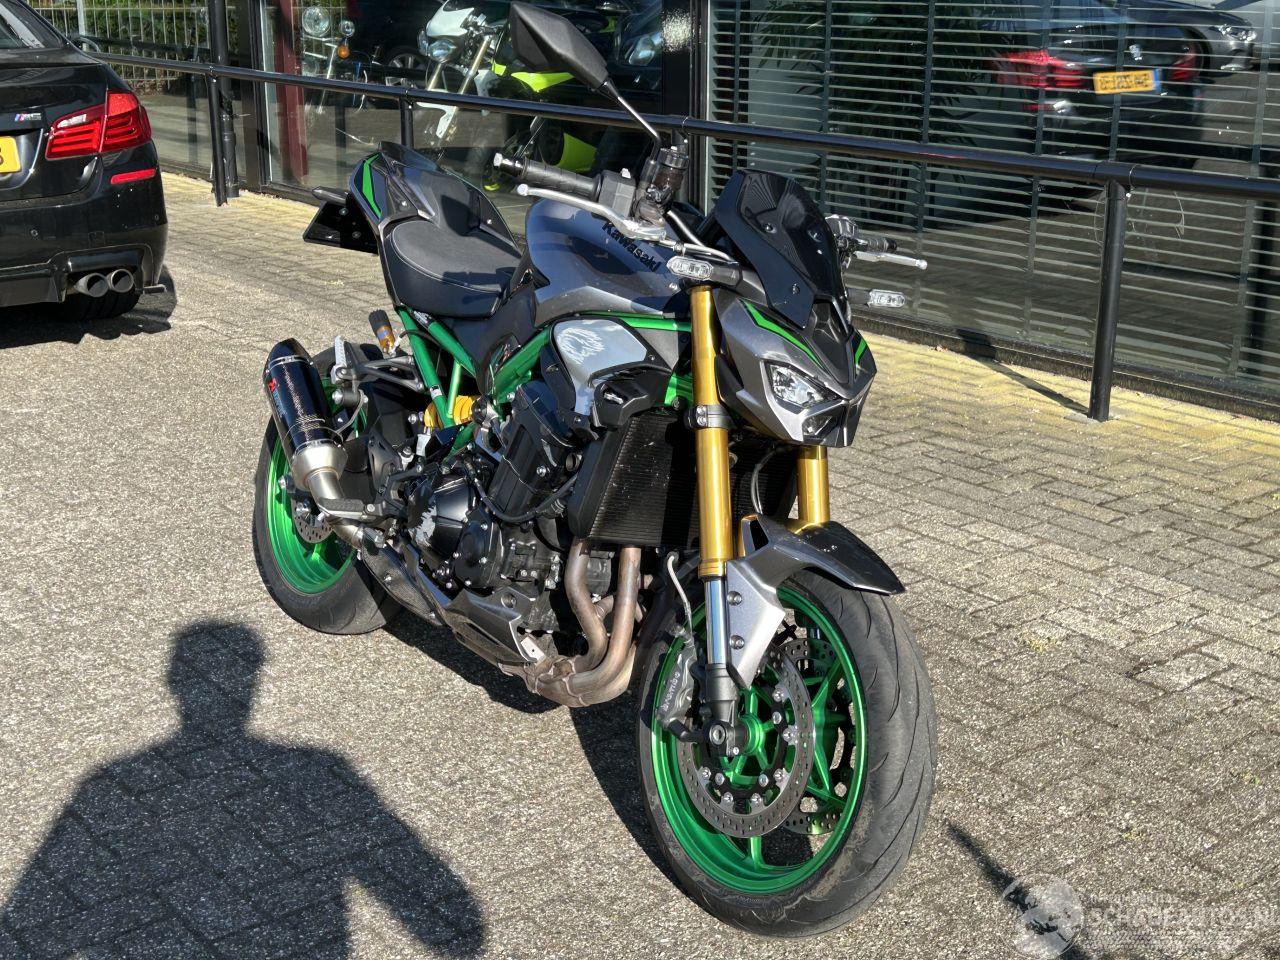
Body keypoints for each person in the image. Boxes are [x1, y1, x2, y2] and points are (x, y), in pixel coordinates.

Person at [1, 621, 484, 958]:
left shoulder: (107, 783)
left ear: (173, 683)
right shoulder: (319, 765)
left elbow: (31, 917)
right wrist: (447, 928)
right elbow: (451, 919)